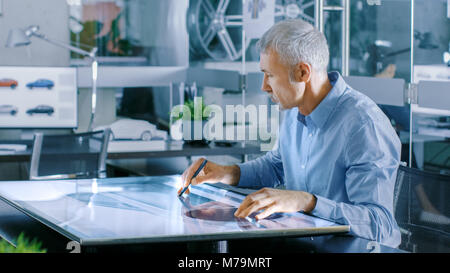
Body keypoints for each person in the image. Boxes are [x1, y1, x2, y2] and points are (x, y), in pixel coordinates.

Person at [178, 19, 402, 248]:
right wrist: (228, 173)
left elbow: (379, 224)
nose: (264, 86)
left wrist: (307, 202)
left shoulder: (364, 125)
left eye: (270, 75)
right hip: (304, 246)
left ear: (303, 72)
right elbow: (277, 166)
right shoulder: (294, 110)